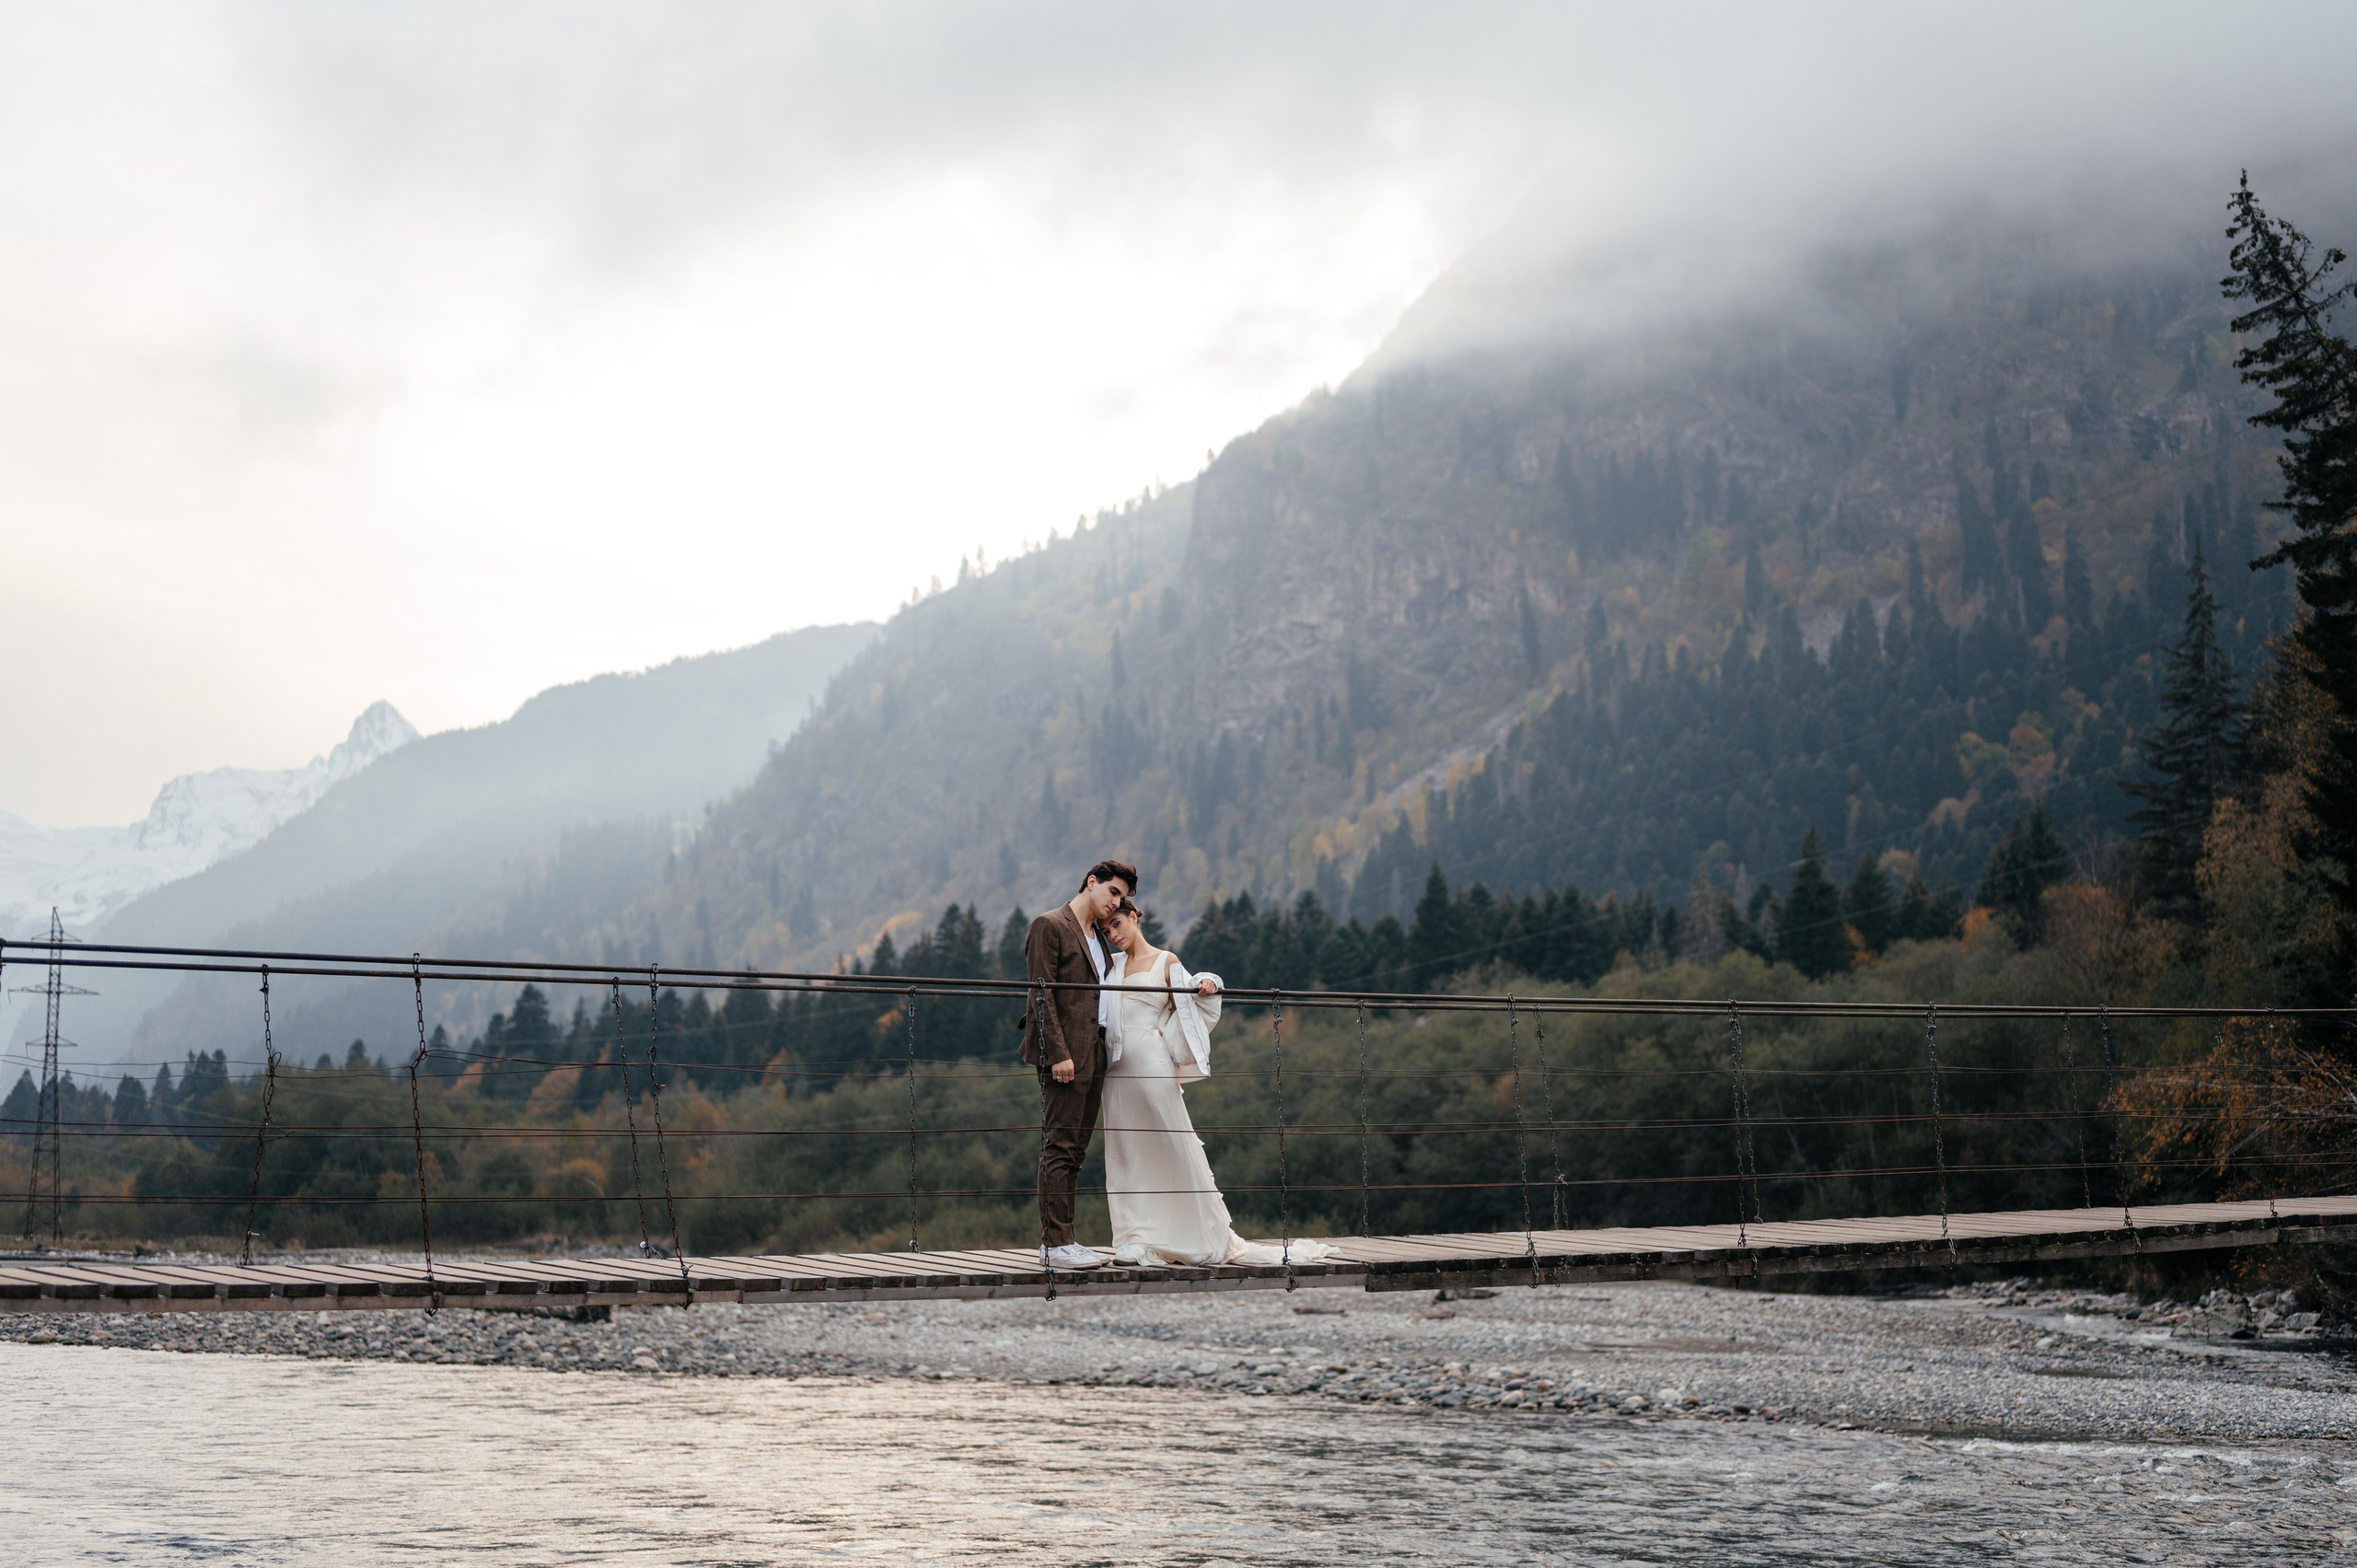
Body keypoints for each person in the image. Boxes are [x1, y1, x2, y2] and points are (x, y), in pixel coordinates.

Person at [1099, 896, 1335, 1268]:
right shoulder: (1108, 966)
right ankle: (1133, 1238)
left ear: (1134, 918)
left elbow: (1190, 1004)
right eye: (1106, 929)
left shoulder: (1166, 961)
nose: (1113, 934)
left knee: (1170, 1144)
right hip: (1115, 1070)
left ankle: (1194, 1233)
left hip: (1152, 1065)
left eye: (1117, 924)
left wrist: (1209, 981)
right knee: (1125, 1150)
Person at [1019, 858, 1134, 1271]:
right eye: (1113, 892)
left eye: (1123, 897)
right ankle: (1054, 1245)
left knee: (1077, 1150)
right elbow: (1040, 995)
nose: (1115, 902)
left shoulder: (1098, 938)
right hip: (1065, 1055)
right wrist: (1058, 1054)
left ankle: (1066, 1240)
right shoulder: (1049, 925)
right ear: (1092, 882)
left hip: (1095, 1052)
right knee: (1059, 1146)